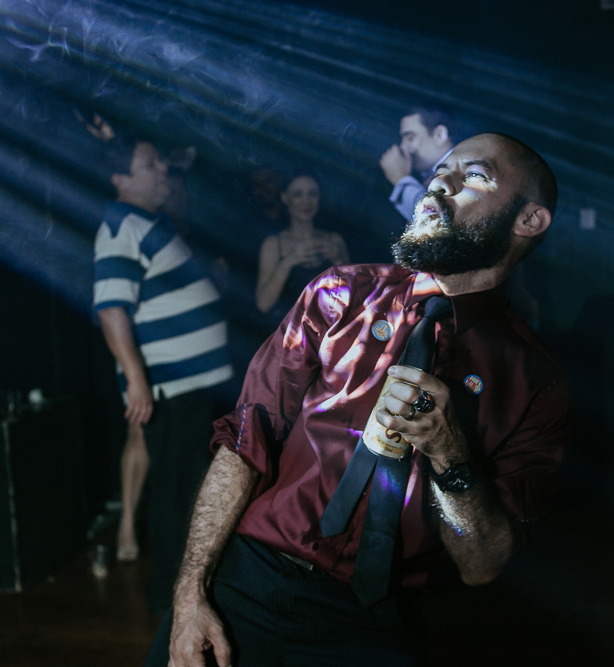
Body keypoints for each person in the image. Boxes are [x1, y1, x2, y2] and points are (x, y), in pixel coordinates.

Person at [145, 132, 572, 666]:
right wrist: (190, 593)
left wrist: (450, 454)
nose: (441, 180)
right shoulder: (341, 295)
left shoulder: (536, 382)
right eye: (441, 169)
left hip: (375, 625)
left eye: (475, 175)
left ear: (528, 221)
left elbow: (482, 564)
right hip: (247, 586)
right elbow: (243, 445)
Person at [92, 135, 234, 611]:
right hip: (173, 391)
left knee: (193, 491)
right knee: (179, 498)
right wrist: (135, 378)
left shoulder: (150, 222)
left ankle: (191, 596)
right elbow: (111, 308)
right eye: (149, 164)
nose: (162, 171)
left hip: (196, 386)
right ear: (121, 178)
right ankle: (173, 606)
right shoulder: (120, 223)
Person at [254, 170, 349, 325]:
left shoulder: (334, 240)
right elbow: (263, 304)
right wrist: (288, 262)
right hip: (290, 339)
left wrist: (338, 262)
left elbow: (352, 300)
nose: (306, 201)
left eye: (312, 194)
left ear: (319, 198)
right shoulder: (273, 244)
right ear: (285, 198)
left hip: (329, 333)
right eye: (298, 194)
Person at [380, 104, 455, 223]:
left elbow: (436, 222)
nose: (403, 146)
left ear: (439, 135)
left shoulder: (462, 170)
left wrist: (402, 180)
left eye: (410, 138)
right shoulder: (431, 175)